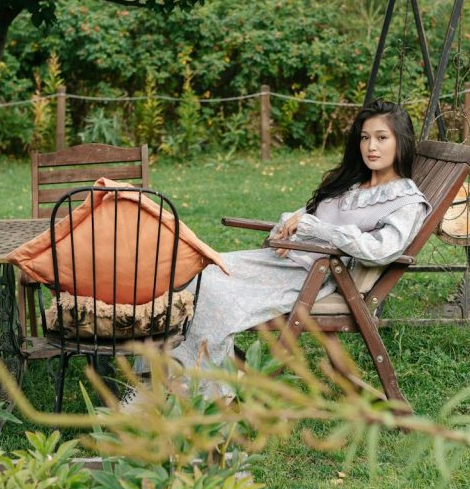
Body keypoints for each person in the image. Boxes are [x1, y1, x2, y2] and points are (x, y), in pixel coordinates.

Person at [125, 100, 431, 405]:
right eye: (365, 137)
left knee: (212, 294)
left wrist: (312, 227)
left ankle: (199, 394)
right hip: (282, 261)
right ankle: (153, 382)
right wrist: (287, 228)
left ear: (400, 141)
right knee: (188, 273)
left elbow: (380, 251)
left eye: (381, 137)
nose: (371, 146)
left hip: (312, 278)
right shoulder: (352, 183)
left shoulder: (407, 202)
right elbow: (308, 216)